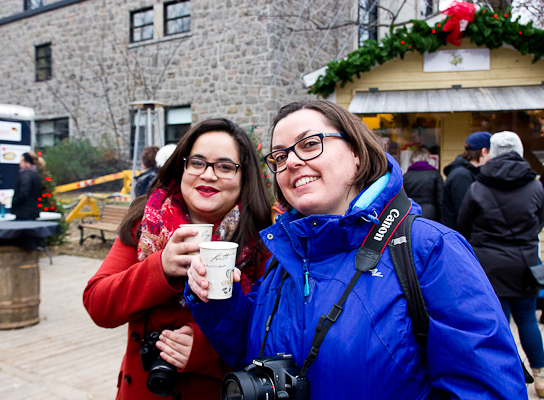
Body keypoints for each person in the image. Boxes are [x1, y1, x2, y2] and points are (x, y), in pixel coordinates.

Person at [186, 100, 527, 399]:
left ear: (357, 151)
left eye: (308, 144)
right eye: (279, 156)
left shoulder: (430, 250)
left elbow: (487, 389)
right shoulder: (285, 256)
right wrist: (220, 300)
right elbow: (247, 352)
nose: (290, 162)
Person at [83, 118, 272, 399]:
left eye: (224, 166)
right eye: (197, 162)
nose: (208, 175)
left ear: (245, 177)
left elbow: (272, 334)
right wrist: (160, 268)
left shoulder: (263, 239)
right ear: (182, 167)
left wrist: (203, 350)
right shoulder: (146, 224)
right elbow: (98, 305)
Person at [458, 131, 544, 396]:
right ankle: (540, 378)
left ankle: (504, 378)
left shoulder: (478, 187)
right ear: (519, 151)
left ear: (491, 152)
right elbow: (539, 220)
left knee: (499, 323)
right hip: (525, 264)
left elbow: (463, 225)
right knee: (528, 319)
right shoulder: (536, 186)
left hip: (489, 267)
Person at [441, 131, 491, 231]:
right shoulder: (461, 176)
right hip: (459, 238)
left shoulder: (467, 173)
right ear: (484, 151)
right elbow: (464, 214)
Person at [403, 147, 444, 222]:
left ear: (412, 159)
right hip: (431, 212)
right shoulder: (435, 174)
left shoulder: (406, 176)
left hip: (412, 211)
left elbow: (402, 197)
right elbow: (440, 199)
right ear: (427, 158)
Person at [12, 152, 42, 220]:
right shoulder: (36, 174)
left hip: (23, 212)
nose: (20, 163)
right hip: (33, 211)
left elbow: (23, 194)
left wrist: (14, 202)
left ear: (27, 162)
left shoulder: (26, 175)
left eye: (22, 160)